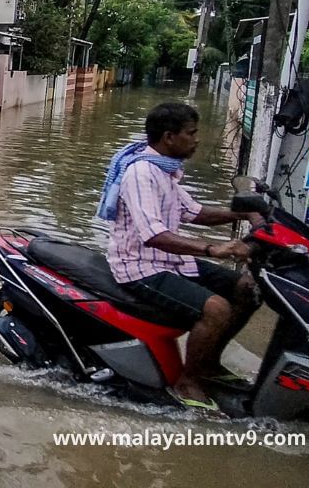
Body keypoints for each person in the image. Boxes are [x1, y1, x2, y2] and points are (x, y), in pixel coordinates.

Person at [99, 102, 262, 411]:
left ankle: (209, 364)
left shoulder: (165, 170)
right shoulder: (142, 173)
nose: (197, 139)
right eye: (192, 133)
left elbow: (193, 211)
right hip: (140, 266)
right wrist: (214, 249)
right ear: (169, 137)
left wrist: (247, 214)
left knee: (247, 289)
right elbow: (154, 234)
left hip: (167, 261)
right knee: (217, 309)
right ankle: (188, 381)